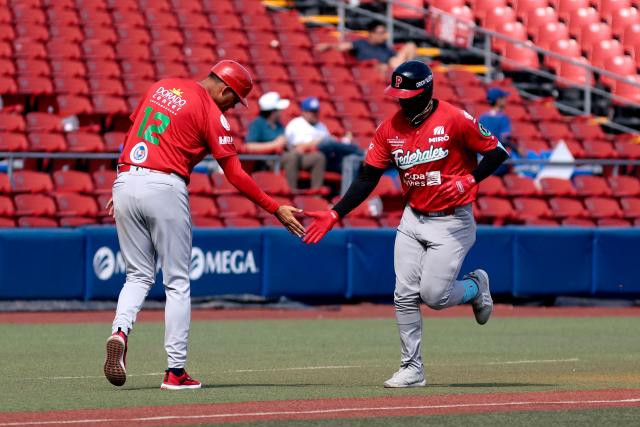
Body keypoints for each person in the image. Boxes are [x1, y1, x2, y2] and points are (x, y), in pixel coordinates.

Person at [302, 61, 509, 388]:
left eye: (408, 94)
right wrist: (335, 212)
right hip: (413, 218)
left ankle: (474, 286)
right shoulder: (389, 129)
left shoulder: (454, 118)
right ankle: (412, 368)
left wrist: (469, 180)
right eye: (398, 94)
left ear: (426, 92)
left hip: (452, 220)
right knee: (404, 294)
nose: (402, 100)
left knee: (435, 296)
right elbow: (368, 177)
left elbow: (497, 152)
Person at [103, 60, 305, 390]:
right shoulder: (211, 112)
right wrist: (274, 207)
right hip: (165, 186)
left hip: (126, 178)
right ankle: (175, 371)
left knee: (138, 274)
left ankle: (120, 331)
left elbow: (131, 134)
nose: (233, 107)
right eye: (235, 99)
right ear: (224, 89)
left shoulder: (161, 86)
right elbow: (236, 174)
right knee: (178, 282)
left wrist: (123, 181)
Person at [285, 97, 362, 181]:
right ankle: (362, 153)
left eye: (316, 111)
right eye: (312, 112)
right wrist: (318, 142)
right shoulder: (296, 124)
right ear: (304, 112)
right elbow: (297, 147)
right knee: (330, 143)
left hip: (325, 156)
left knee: (348, 163)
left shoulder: (321, 125)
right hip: (305, 157)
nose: (315, 114)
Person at [316, 21, 417, 75]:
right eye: (381, 33)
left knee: (410, 46)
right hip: (372, 73)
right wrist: (328, 46)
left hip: (390, 70)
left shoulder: (385, 47)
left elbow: (395, 60)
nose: (384, 36)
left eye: (384, 33)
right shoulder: (361, 44)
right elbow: (342, 47)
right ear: (372, 34)